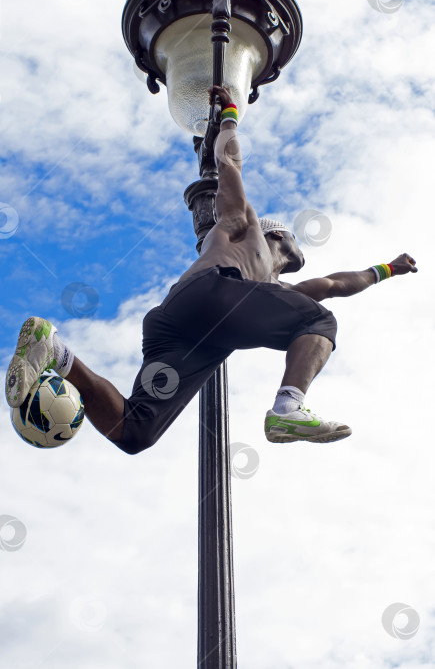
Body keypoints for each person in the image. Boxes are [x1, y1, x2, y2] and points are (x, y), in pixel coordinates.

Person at [5, 86, 418, 455]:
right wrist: (229, 115)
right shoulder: (241, 227)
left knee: (135, 433)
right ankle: (288, 407)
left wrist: (386, 269)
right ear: (278, 236)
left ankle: (54, 349)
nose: (298, 245)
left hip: (179, 327)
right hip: (210, 292)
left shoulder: (274, 291)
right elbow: (229, 164)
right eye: (292, 235)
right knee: (319, 320)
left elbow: (334, 284)